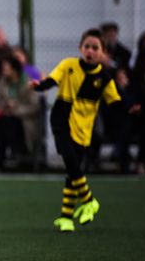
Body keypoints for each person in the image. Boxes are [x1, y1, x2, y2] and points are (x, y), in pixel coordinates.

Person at [29, 28, 122, 232]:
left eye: (95, 47)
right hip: (61, 118)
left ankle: (66, 217)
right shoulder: (68, 65)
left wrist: (132, 109)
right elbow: (51, 80)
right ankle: (89, 200)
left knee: (73, 171)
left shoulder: (105, 79)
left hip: (83, 128)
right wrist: (39, 85)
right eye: (86, 46)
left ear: (103, 52)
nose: (90, 51)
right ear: (80, 48)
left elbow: (116, 104)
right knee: (71, 161)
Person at [0, 56, 40, 169]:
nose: (3, 71)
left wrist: (15, 109)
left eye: (6, 68)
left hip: (26, 120)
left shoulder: (29, 84)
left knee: (9, 122)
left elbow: (34, 106)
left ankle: (8, 155)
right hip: (6, 117)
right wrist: (5, 107)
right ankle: (8, 155)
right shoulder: (1, 83)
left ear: (14, 70)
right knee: (4, 122)